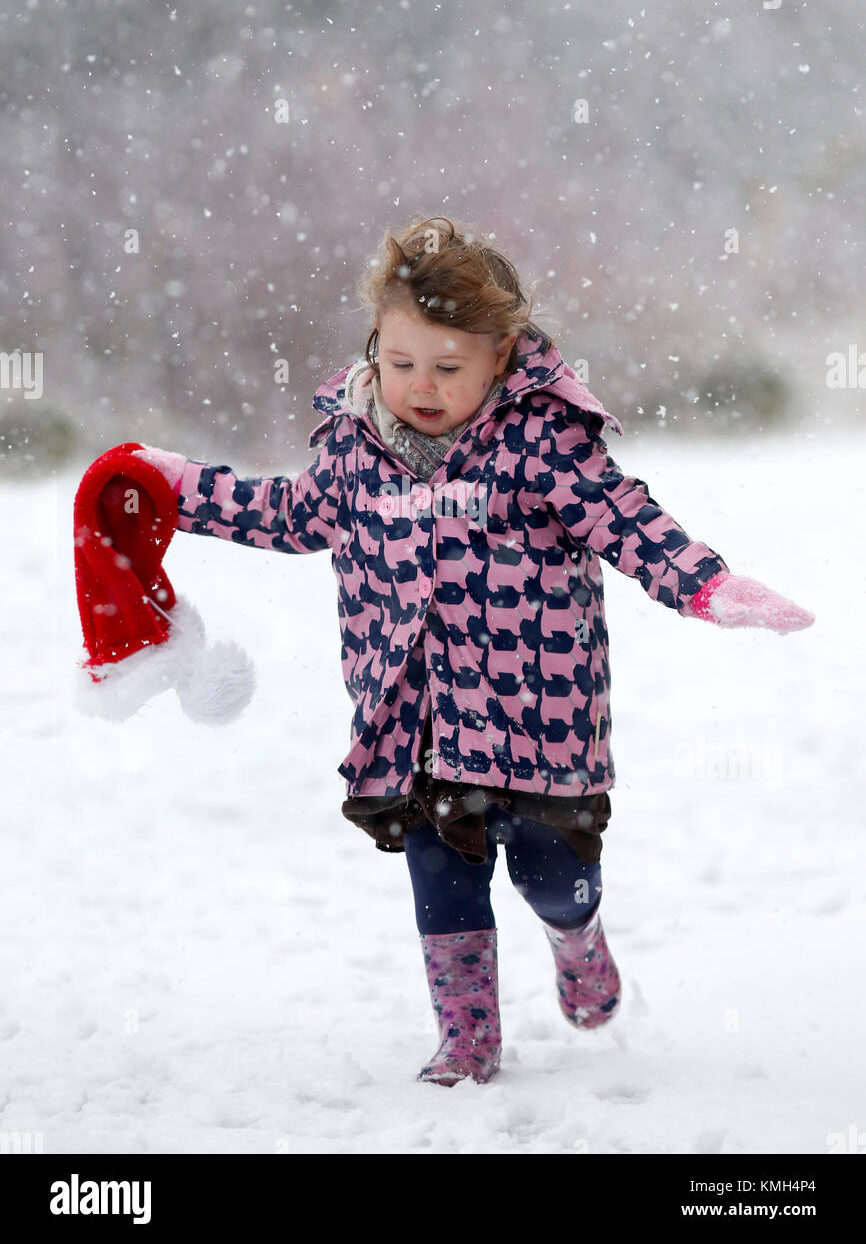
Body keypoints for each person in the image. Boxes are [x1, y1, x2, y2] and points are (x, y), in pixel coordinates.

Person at [131, 214, 815, 1087]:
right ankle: (468, 1037)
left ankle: (580, 939)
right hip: (412, 714)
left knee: (549, 876)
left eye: (449, 367)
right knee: (440, 876)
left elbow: (628, 520)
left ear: (502, 357)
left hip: (540, 714)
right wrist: (176, 486)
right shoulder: (353, 450)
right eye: (400, 361)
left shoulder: (542, 444)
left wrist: (709, 586)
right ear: (374, 345)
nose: (420, 385)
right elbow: (286, 513)